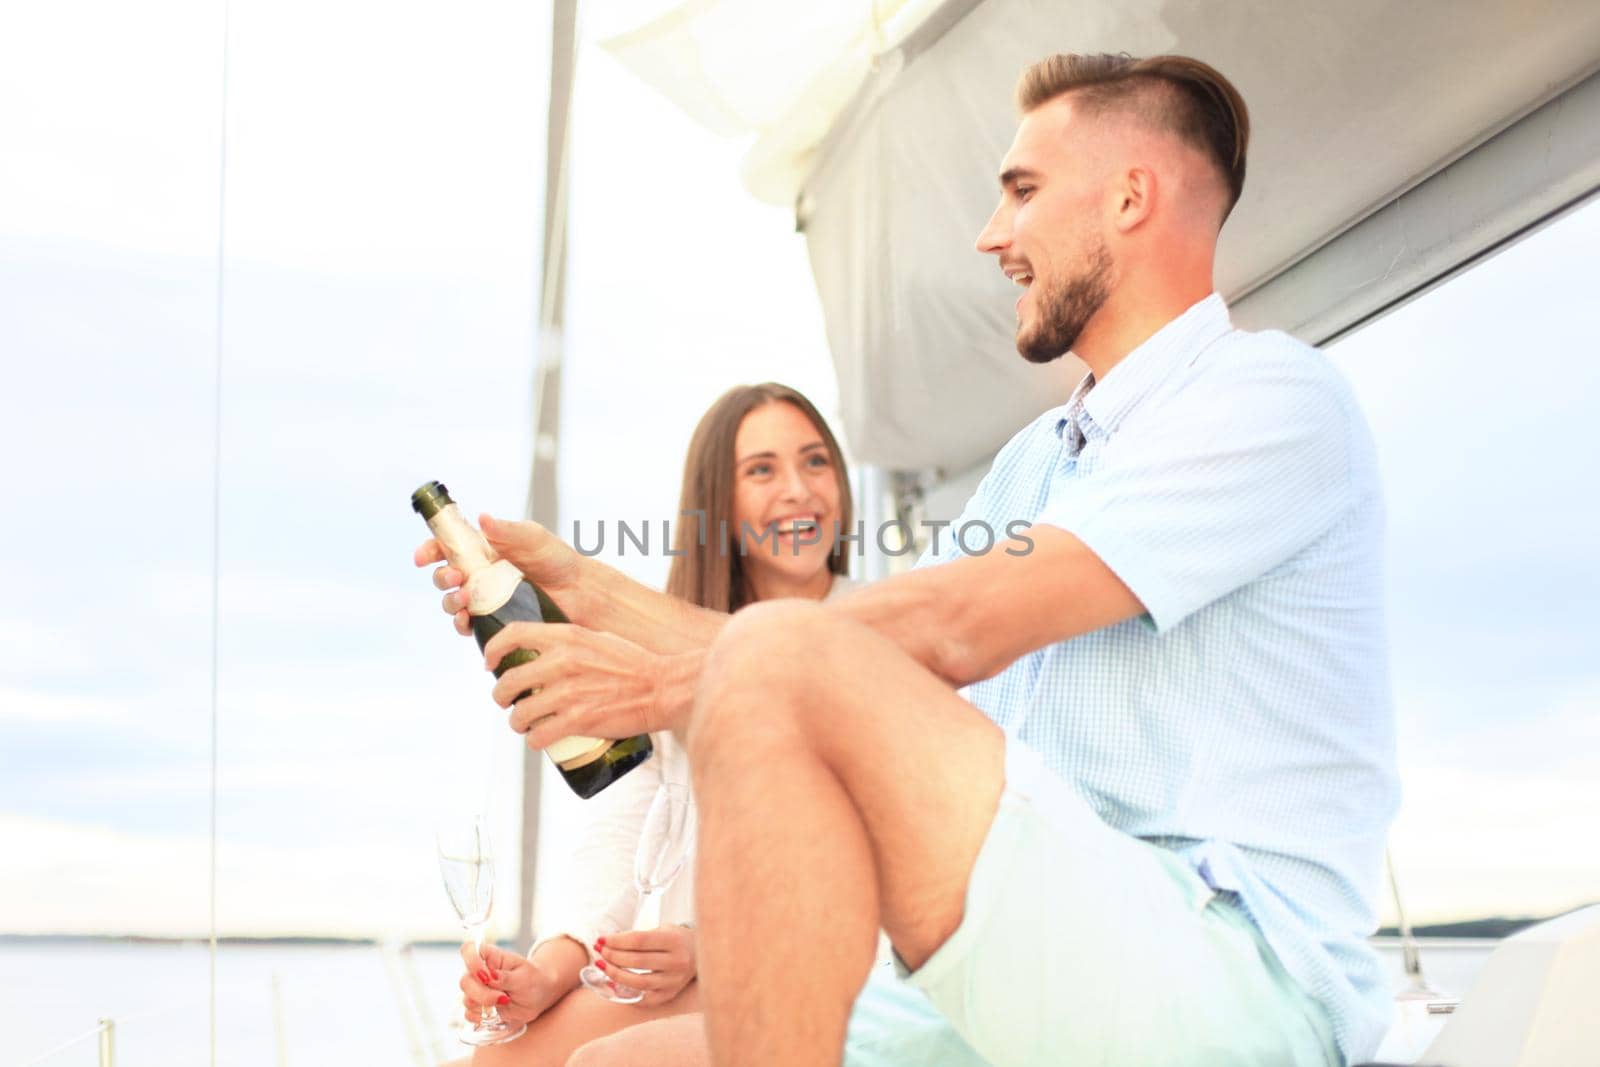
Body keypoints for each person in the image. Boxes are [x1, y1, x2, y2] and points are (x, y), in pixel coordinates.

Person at [422, 52, 1399, 1067]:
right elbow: (851, 670)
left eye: (1020, 191)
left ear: (1128, 196)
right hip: (1014, 951)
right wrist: (593, 592)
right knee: (604, 1063)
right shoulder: (1034, 465)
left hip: (1225, 969)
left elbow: (943, 628)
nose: (991, 235)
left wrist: (657, 681)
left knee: (787, 664)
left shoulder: (1266, 398)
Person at [430, 383, 859, 1065]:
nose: (798, 490)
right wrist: (550, 966)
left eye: (815, 462)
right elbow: (622, 825)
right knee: (495, 1058)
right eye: (762, 469)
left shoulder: (876, 632)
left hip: (824, 973)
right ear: (717, 501)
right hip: (699, 971)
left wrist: (707, 945)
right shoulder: (658, 652)